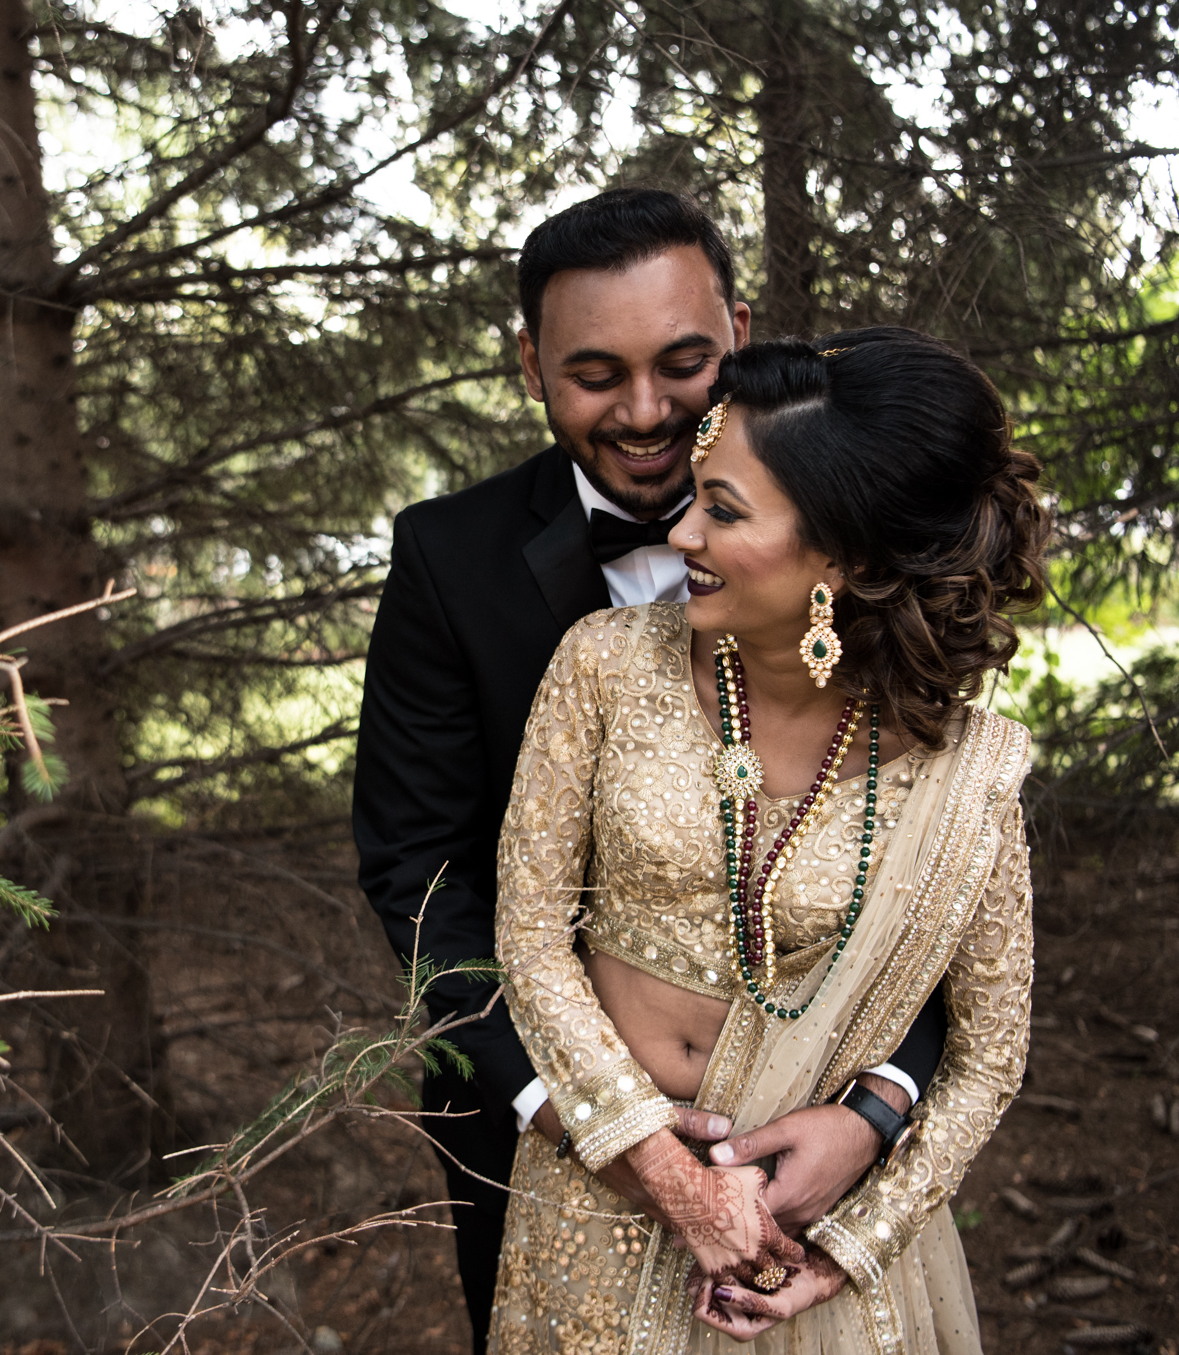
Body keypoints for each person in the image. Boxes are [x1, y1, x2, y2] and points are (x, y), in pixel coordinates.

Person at [352, 190, 947, 1355]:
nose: (644, 413)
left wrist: (878, 1107)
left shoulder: (859, 533)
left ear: (739, 330)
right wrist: (595, 1123)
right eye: (594, 375)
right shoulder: (447, 559)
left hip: (819, 1134)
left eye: (683, 364)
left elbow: (930, 867)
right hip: (536, 1129)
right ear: (530, 365)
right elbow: (420, 875)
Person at [489, 330, 1044, 1354]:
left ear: (850, 556)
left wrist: (850, 1245)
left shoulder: (962, 773)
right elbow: (528, 937)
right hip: (599, 1199)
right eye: (695, 497)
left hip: (807, 1244)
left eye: (725, 509)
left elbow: (989, 1054)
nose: (682, 531)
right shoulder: (606, 666)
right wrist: (661, 1167)